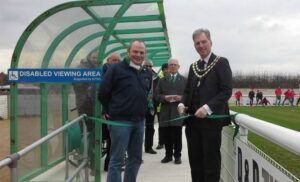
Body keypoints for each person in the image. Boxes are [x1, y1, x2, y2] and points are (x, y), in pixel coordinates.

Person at [178, 28, 232, 182]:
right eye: (197, 43)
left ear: (210, 42)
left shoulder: (221, 62)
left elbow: (226, 91)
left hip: (211, 122)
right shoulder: (193, 67)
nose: (201, 46)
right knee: (195, 163)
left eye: (204, 42)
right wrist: (182, 104)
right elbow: (188, 91)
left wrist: (207, 108)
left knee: (211, 163)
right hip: (192, 122)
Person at [98, 40, 152, 182]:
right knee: (117, 160)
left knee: (135, 159)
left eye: (141, 52)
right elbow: (103, 93)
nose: (138, 55)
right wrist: (114, 110)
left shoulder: (146, 72)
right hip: (120, 122)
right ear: (128, 52)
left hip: (139, 122)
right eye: (135, 51)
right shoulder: (116, 69)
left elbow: (145, 94)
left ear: (145, 54)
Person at [155, 58, 186, 164]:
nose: (173, 66)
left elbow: (188, 96)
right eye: (171, 65)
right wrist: (165, 98)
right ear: (168, 67)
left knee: (177, 136)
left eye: (175, 64)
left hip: (178, 112)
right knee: (167, 136)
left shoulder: (184, 80)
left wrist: (181, 98)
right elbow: (156, 96)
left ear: (178, 66)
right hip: (165, 112)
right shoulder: (161, 80)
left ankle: (177, 156)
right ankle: (168, 155)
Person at [72, 51, 98, 173]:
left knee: (94, 133)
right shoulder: (81, 68)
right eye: (94, 57)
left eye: (97, 57)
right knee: (85, 132)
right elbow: (77, 83)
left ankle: (92, 160)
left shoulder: (98, 67)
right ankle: (84, 158)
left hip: (95, 105)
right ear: (89, 57)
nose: (95, 59)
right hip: (84, 105)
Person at [101, 53, 121, 171]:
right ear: (108, 60)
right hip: (106, 113)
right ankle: (108, 165)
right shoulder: (103, 73)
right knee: (110, 139)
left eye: (118, 60)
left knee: (114, 139)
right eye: (114, 60)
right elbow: (101, 94)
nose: (117, 62)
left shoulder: (119, 73)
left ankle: (112, 164)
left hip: (117, 112)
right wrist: (103, 111)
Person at [143, 60, 157, 154]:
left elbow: (159, 92)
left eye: (150, 66)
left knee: (150, 128)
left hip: (151, 107)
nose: (148, 67)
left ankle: (149, 147)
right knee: (138, 129)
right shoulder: (140, 75)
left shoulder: (157, 78)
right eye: (146, 66)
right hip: (140, 106)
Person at [154, 63, 169, 150]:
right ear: (163, 70)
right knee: (162, 126)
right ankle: (161, 142)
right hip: (160, 107)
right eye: (166, 69)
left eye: (168, 69)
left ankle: (170, 142)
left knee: (170, 125)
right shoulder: (158, 78)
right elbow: (157, 93)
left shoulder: (171, 77)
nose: (167, 70)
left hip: (170, 106)